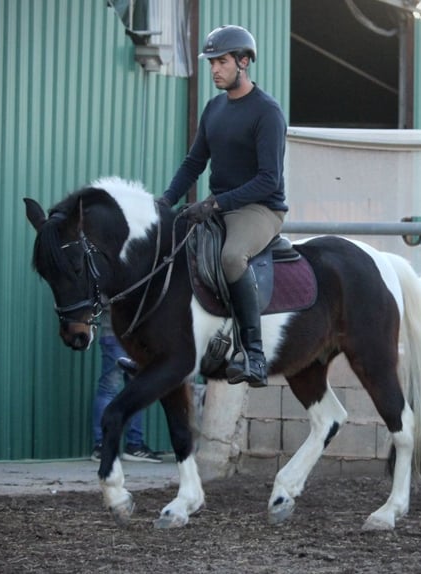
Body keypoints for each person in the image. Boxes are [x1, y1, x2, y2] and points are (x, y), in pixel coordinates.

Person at [158, 25, 288, 389]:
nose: (215, 69)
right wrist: (166, 201)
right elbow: (193, 163)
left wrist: (216, 202)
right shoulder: (213, 109)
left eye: (223, 61)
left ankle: (254, 355)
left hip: (260, 209)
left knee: (232, 257)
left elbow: (269, 180)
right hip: (219, 207)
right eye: (212, 62)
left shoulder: (267, 113)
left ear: (244, 62)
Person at [91, 308, 161, 463]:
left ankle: (106, 446)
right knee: (116, 389)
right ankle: (130, 445)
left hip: (127, 338)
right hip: (123, 337)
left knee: (116, 389)